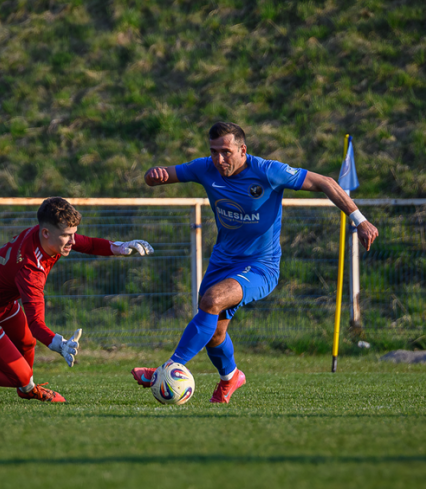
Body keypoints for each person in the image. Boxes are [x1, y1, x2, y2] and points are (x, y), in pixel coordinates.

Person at [131, 122, 379, 403]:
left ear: (242, 150)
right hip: (222, 261)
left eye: (226, 152)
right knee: (214, 332)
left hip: (261, 265)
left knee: (211, 300)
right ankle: (231, 378)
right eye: (214, 152)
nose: (219, 159)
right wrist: (154, 177)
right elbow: (159, 177)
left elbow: (325, 182)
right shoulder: (205, 168)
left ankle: (167, 369)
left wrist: (360, 220)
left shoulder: (267, 171)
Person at [0, 197, 154, 403]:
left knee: (27, 344)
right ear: (46, 233)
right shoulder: (31, 269)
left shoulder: (46, 235)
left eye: (73, 233)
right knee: (20, 376)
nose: (73, 241)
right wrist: (59, 343)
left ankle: (26, 390)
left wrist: (121, 247)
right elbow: (36, 324)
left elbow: (89, 243)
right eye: (67, 235)